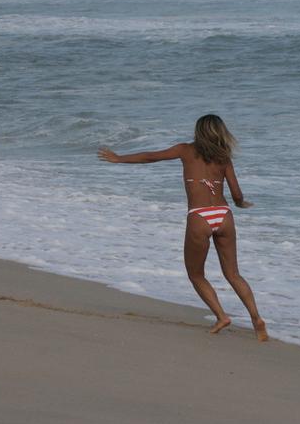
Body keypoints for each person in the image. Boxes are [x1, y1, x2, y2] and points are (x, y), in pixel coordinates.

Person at [98, 114, 268, 341]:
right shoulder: (223, 157)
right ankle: (257, 319)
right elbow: (236, 193)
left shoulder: (185, 150)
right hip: (224, 215)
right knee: (233, 274)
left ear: (198, 131)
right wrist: (240, 203)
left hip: (200, 217)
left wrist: (119, 159)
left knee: (196, 274)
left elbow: (150, 157)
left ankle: (222, 316)